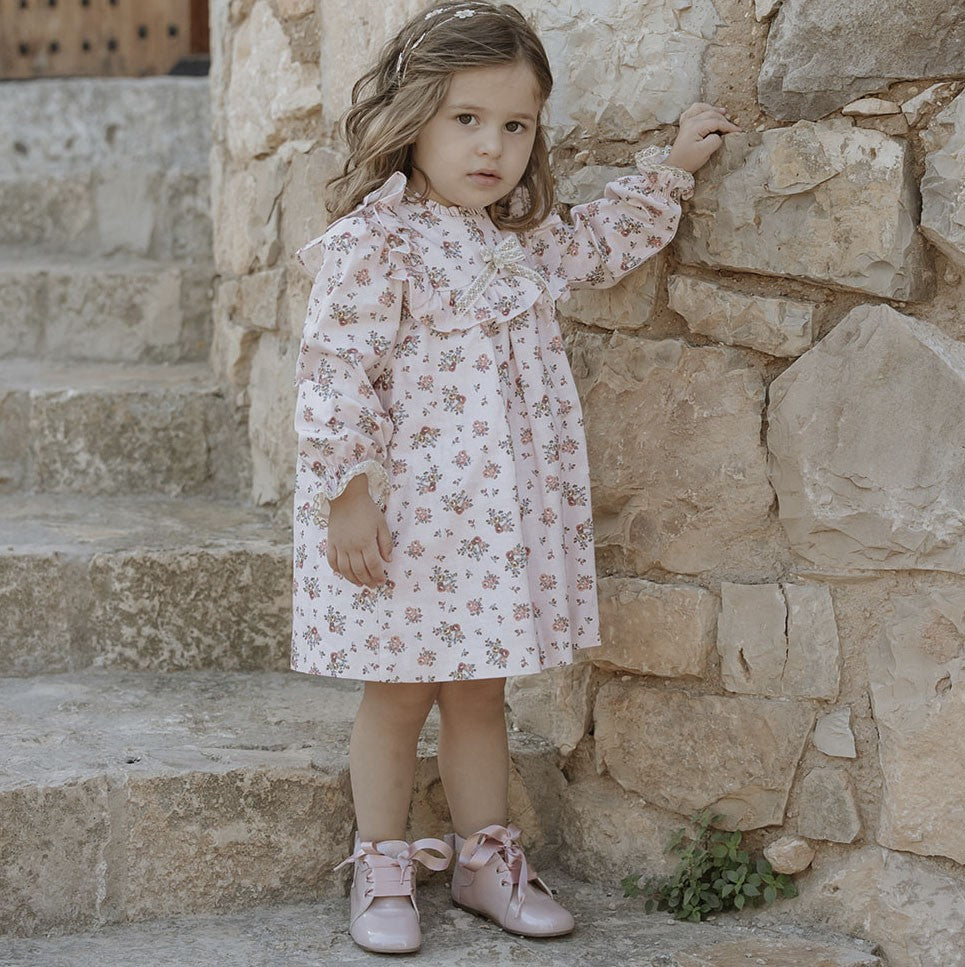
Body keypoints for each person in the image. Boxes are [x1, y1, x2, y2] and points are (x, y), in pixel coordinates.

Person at [291, 1, 739, 954]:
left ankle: (485, 860)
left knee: (478, 690)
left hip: (490, 524)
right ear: (414, 116)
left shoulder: (515, 241)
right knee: (398, 691)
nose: (491, 146)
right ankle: (380, 863)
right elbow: (336, 370)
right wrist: (347, 494)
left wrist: (674, 169)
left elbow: (596, 243)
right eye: (466, 119)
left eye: (515, 125)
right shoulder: (378, 240)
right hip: (402, 518)